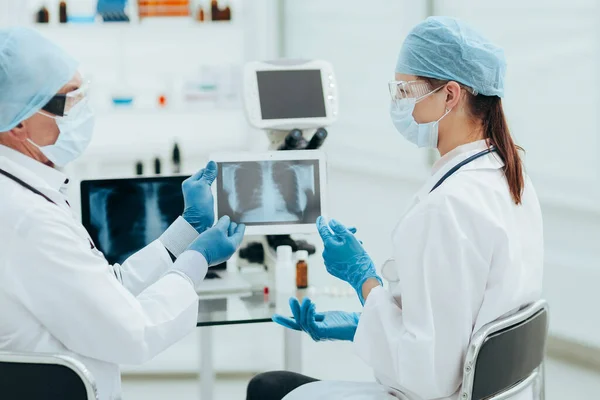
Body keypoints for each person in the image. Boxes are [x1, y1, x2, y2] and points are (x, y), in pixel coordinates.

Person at [247, 16, 543, 400]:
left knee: (267, 389)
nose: (398, 103)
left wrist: (363, 281)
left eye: (405, 90)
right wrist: (365, 321)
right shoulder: (510, 178)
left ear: (450, 96)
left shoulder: (446, 208)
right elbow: (457, 328)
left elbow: (427, 378)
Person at [0, 27, 245, 400]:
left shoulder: (25, 190)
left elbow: (104, 290)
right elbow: (133, 331)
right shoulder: (26, 218)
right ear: (17, 121)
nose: (81, 111)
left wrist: (185, 233)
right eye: (69, 100)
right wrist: (196, 260)